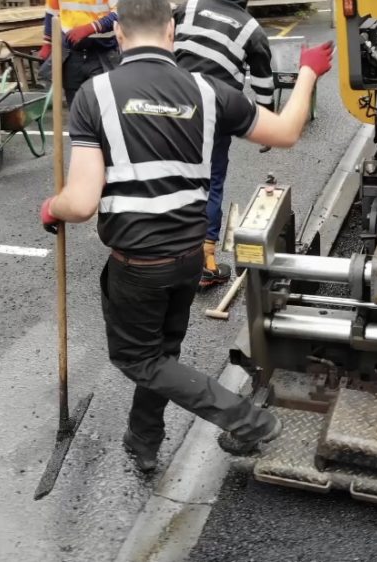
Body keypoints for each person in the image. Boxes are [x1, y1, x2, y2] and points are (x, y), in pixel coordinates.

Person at [38, 0, 333, 472]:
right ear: (172, 30)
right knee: (163, 355)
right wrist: (307, 73)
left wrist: (52, 207)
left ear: (119, 36)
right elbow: (287, 132)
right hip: (190, 256)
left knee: (139, 360)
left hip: (138, 264)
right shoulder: (210, 91)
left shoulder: (96, 94)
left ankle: (247, 421)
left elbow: (81, 202)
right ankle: (143, 441)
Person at [173, 0, 276, 288]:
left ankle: (165, 255)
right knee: (211, 181)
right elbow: (263, 84)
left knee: (169, 172)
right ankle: (205, 263)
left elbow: (162, 42)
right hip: (215, 111)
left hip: (172, 101)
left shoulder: (188, 7)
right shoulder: (252, 29)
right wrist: (266, 128)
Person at [39, 0, 121, 103]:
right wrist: (47, 42)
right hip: (71, 53)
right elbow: (52, 12)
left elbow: (121, 12)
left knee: (104, 102)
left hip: (102, 52)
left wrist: (92, 27)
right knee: (75, 104)